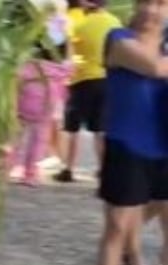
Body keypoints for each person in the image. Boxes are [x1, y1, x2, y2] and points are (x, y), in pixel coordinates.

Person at [89, 0, 168, 265]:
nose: (152, 9)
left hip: (165, 147)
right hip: (126, 145)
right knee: (117, 226)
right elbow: (155, 68)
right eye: (147, 1)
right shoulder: (117, 38)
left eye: (161, 3)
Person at [55, 0, 122, 183]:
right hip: (106, 78)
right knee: (100, 128)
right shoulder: (114, 22)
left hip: (81, 79)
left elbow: (67, 50)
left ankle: (68, 169)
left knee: (72, 127)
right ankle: (104, 169)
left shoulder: (78, 22)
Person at [12, 45, 73, 185]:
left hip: (23, 106)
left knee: (15, 139)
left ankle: (7, 168)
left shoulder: (27, 66)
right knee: (38, 142)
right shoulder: (58, 70)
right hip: (45, 110)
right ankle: (30, 175)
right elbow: (70, 67)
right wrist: (69, 48)